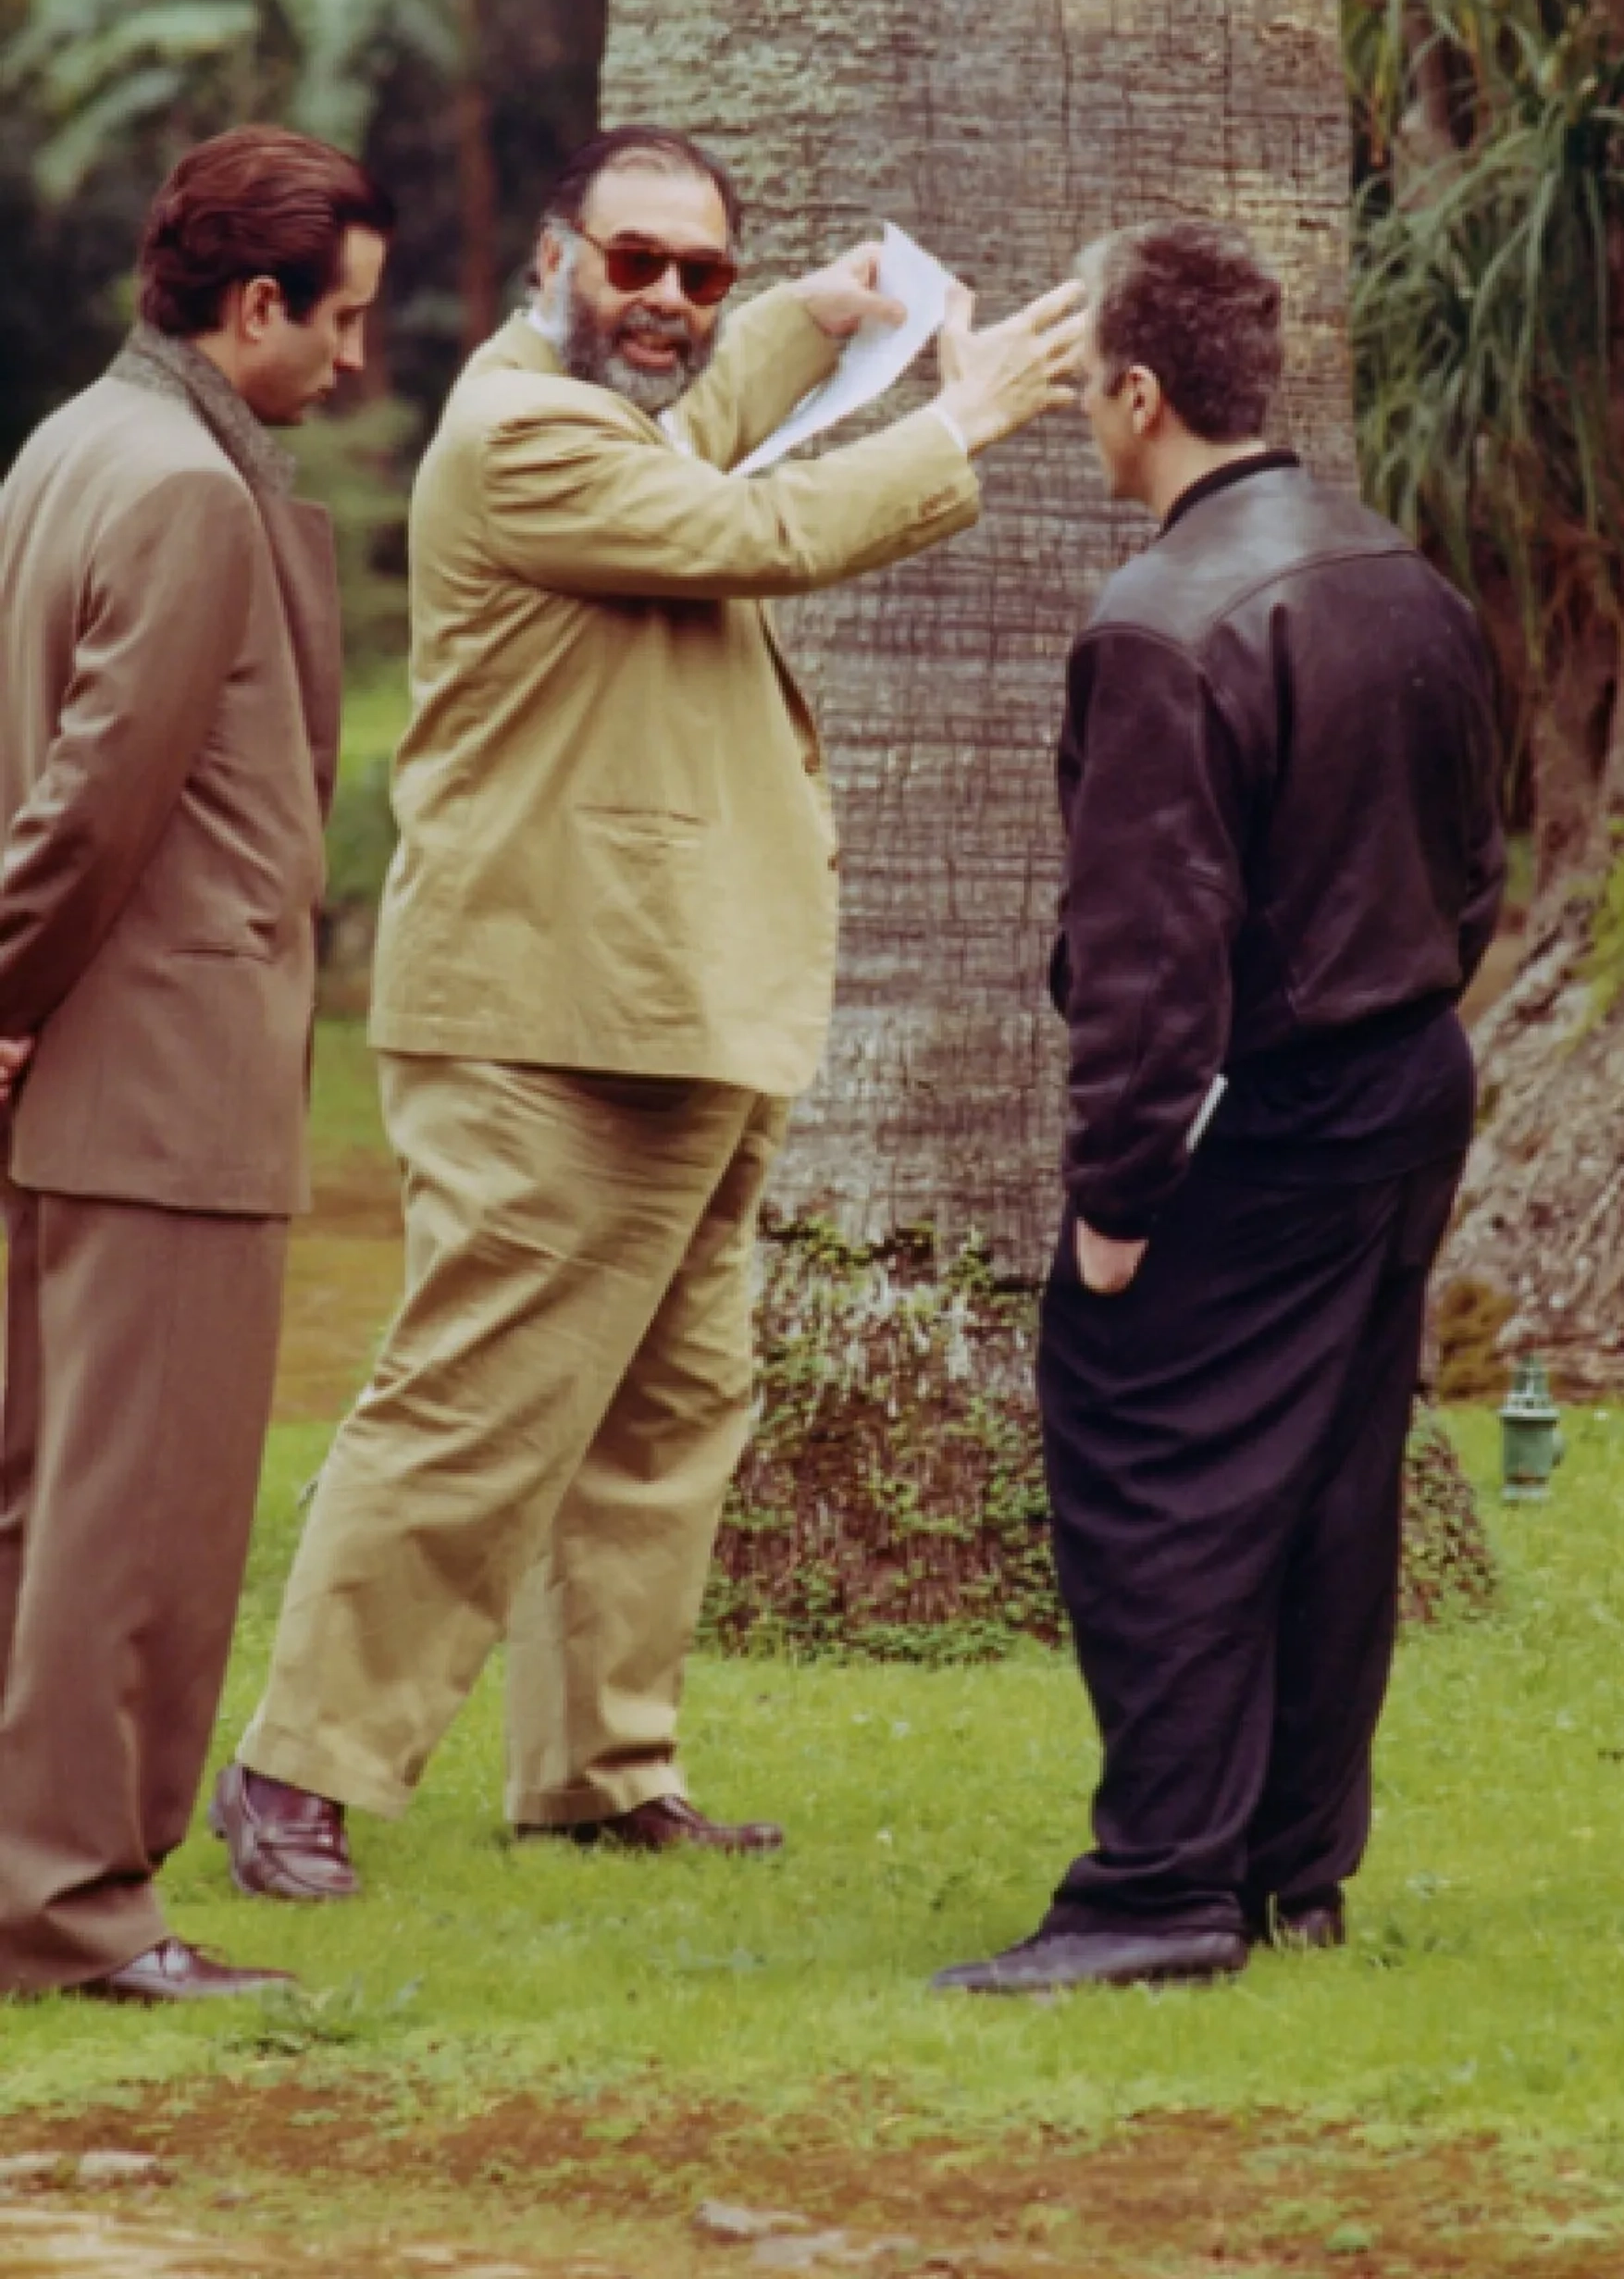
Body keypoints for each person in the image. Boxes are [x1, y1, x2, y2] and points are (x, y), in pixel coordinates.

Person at [214, 125, 1087, 1901]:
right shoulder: (523, 432)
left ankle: (600, 1770)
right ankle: (295, 1769)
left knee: (669, 1407)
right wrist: (960, 415)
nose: (672, 300)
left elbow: (695, 418)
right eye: (637, 263)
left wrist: (809, 313)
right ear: (556, 259)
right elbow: (745, 516)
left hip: (674, 1010)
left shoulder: (608, 405)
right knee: (475, 1400)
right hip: (556, 1016)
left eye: (702, 270)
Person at [935, 217, 1505, 1996]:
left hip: (1250, 1119)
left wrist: (1114, 1203)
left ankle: (1159, 1894)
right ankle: (1290, 1872)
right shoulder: (1406, 573)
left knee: (1155, 1476)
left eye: (1086, 381)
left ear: (1139, 388)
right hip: (1406, 1082)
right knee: (1336, 1473)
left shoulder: (1164, 625)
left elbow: (1148, 959)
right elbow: (1479, 864)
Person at [0, 126, 393, 2000]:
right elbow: (87, 807)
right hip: (154, 1076)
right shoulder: (176, 484)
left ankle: (37, 1877)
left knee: (47, 1496)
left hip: (93, 1072)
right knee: (131, 1519)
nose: (360, 359)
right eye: (347, 319)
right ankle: (79, 1913)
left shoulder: (71, 442)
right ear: (257, 307)